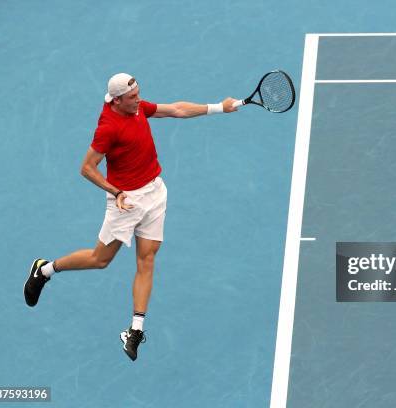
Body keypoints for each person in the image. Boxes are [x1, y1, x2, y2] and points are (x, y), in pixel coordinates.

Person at [23, 73, 238, 361]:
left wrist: (218, 107)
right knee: (100, 260)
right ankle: (45, 269)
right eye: (133, 96)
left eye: (138, 93)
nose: (139, 99)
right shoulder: (108, 128)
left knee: (147, 259)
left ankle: (135, 330)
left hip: (155, 193)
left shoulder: (136, 108)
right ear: (117, 100)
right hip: (126, 201)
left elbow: (175, 109)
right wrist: (116, 191)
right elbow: (87, 168)